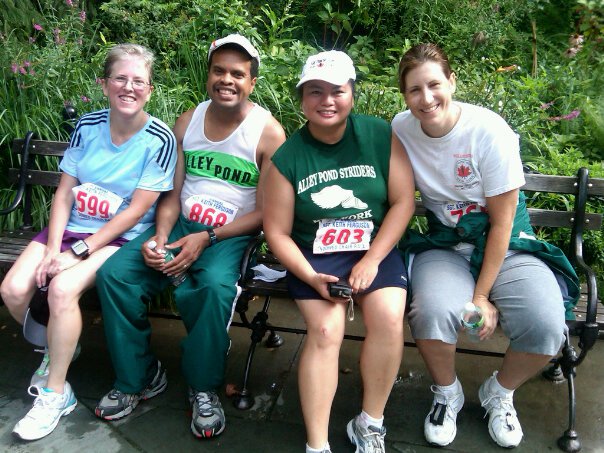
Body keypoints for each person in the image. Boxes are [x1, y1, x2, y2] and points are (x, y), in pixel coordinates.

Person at [94, 34, 286, 438]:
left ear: (252, 81)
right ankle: (139, 376)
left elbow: (267, 213)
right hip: (180, 225)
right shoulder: (189, 120)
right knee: (116, 275)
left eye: (238, 73)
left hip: (231, 235)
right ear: (208, 74)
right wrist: (160, 236)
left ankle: (203, 386)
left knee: (213, 289)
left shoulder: (267, 133)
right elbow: (173, 192)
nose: (227, 80)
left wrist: (210, 237)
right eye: (219, 70)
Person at [392, 43, 580, 449]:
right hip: (446, 243)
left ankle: (500, 391)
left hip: (508, 242)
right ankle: (447, 392)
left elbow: (502, 222)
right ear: (404, 95)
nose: (426, 99)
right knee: (431, 311)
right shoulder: (401, 129)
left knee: (547, 324)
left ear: (452, 81)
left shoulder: (488, 132)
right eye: (414, 90)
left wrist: (480, 296)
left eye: (434, 85)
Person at [0, 43, 177, 441]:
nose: (128, 87)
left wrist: (76, 252)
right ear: (104, 84)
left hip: (119, 236)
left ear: (149, 89)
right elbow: (65, 192)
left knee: (62, 289)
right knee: (12, 289)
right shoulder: (88, 126)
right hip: (72, 227)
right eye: (120, 78)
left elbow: (135, 212)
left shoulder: (159, 139)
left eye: (138, 81)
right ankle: (56, 349)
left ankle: (55, 392)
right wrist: (52, 248)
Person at [264, 50, 416, 453]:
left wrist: (372, 260)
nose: (326, 101)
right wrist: (311, 276)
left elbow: (403, 202)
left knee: (387, 317)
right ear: (302, 98)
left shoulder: (379, 135)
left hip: (373, 247)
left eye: (337, 90)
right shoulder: (287, 158)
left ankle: (370, 422)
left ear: (352, 94)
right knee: (327, 329)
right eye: (315, 91)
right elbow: (276, 232)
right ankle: (318, 444)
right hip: (315, 256)